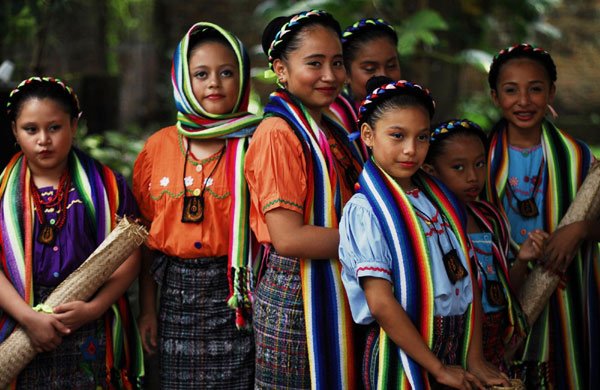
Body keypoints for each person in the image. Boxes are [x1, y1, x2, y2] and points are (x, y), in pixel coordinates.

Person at [338, 76, 510, 390]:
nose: (411, 150)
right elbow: (380, 303)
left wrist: (472, 359)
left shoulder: (438, 200)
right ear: (368, 135)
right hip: (403, 355)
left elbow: (464, 277)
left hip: (452, 348)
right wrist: (438, 368)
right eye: (397, 136)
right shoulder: (366, 210)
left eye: (422, 138)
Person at [132, 22, 260, 389]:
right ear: (183, 80)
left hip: (238, 299)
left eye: (226, 72)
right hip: (175, 297)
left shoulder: (258, 144)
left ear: (242, 77)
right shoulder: (159, 147)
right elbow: (143, 238)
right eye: (201, 74)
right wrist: (148, 310)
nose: (214, 83)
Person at [244, 10, 365, 389]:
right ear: (281, 69)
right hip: (298, 294)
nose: (330, 75)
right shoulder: (279, 134)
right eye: (314, 63)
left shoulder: (327, 128)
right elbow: (289, 238)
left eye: (337, 62)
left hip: (337, 278)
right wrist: (380, 243)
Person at [0, 76, 143, 389]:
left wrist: (93, 308)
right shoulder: (2, 193)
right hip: (21, 324)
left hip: (89, 323)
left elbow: (130, 254)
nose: (43, 140)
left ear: (74, 126)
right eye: (30, 129)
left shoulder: (106, 186)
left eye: (55, 127)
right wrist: (28, 318)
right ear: (14, 130)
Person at [485, 43, 600, 389]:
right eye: (511, 90)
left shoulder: (578, 158)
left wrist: (579, 229)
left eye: (535, 89)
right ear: (494, 97)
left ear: (551, 91)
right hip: (506, 292)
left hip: (566, 296)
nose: (524, 100)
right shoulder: (481, 159)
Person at [422, 118, 548, 371]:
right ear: (431, 171)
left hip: (493, 341)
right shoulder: (430, 226)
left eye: (480, 164)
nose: (473, 177)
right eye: (458, 167)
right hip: (452, 346)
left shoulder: (489, 219)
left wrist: (522, 260)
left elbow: (501, 294)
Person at [341, 18, 402, 109]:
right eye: (370, 69)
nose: (383, 75)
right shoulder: (334, 117)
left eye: (391, 66)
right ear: (346, 73)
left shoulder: (414, 109)